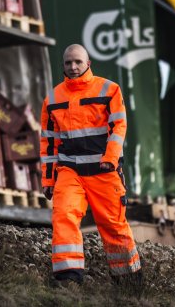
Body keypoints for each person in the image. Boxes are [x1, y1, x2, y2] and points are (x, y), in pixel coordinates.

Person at [40, 44, 142, 285]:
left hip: (103, 171)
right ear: (62, 65)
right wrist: (48, 179)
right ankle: (68, 279)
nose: (73, 67)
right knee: (63, 216)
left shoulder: (109, 89)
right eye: (68, 63)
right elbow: (48, 143)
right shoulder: (52, 98)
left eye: (77, 62)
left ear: (88, 63)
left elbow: (119, 127)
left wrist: (110, 158)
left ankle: (129, 282)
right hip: (69, 170)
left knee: (113, 225)